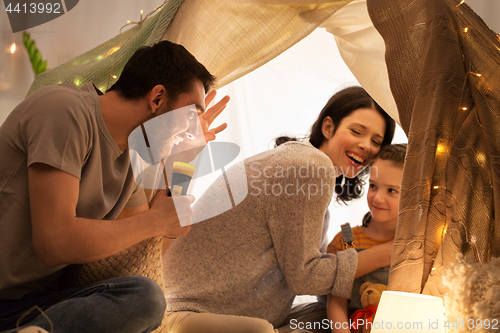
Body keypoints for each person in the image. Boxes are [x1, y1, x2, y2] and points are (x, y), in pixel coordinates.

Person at [0, 40, 229, 333]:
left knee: (145, 298)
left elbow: (153, 241)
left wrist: (183, 160)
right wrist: (154, 220)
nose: (193, 128)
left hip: (35, 305)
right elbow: (53, 243)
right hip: (7, 298)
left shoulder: (134, 156)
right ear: (157, 98)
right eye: (190, 114)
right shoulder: (65, 111)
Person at [162, 86, 396, 333]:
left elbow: (317, 273)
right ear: (328, 128)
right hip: (192, 312)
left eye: (376, 142)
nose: (365, 146)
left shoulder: (304, 165)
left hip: (216, 310)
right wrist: (391, 251)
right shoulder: (311, 167)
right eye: (357, 131)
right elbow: (306, 277)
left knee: (327, 316)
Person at [326, 143, 407, 333]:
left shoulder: (418, 243)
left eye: (391, 191)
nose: (377, 198)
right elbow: (336, 303)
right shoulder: (345, 241)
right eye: (373, 186)